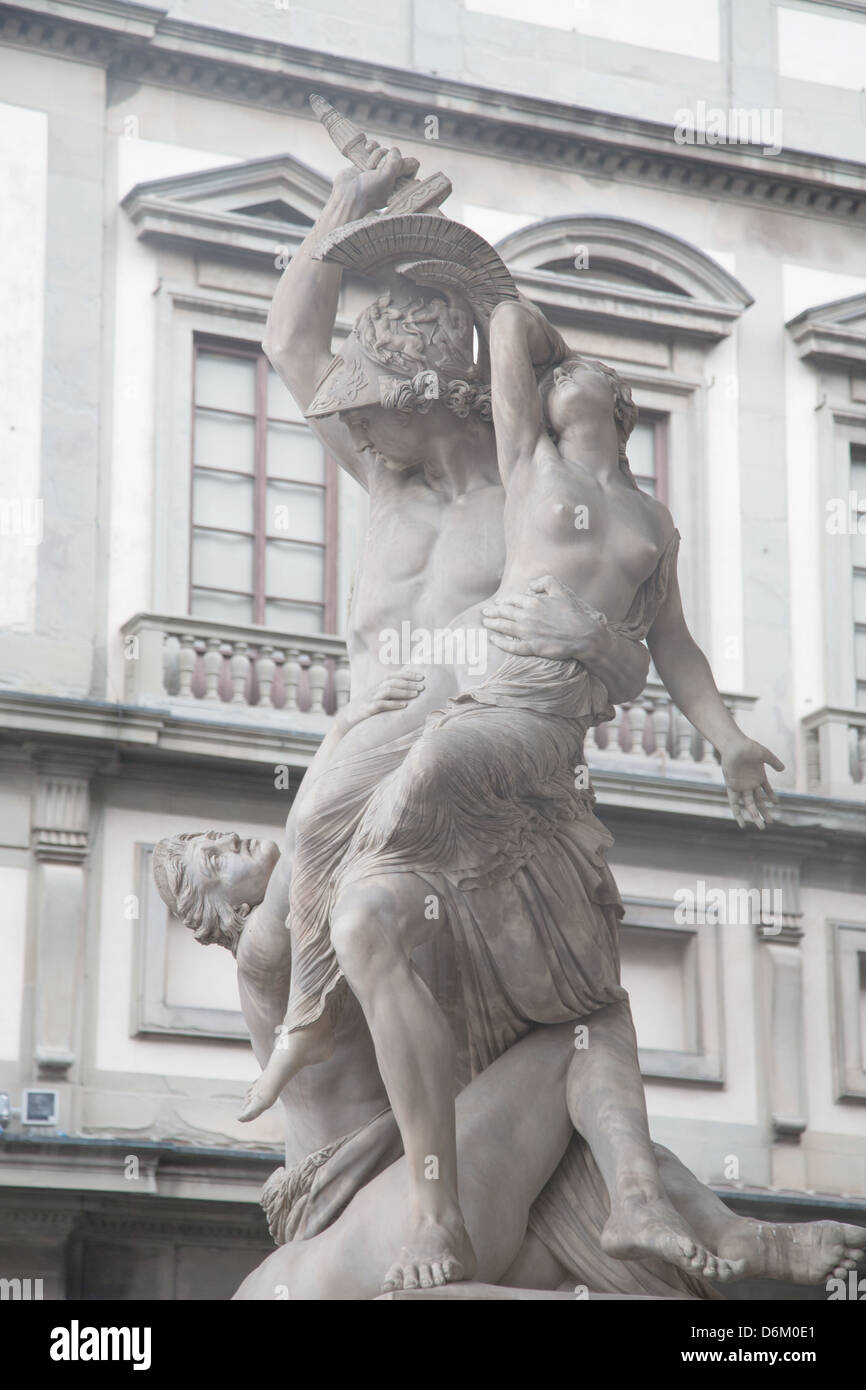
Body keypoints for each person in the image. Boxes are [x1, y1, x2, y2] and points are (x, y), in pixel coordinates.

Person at [241, 288, 787, 1294]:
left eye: (608, 387)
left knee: (413, 788)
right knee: (348, 859)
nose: (588, 381)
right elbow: (500, 323)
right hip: (480, 722)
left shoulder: (645, 524)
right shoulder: (525, 464)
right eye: (568, 378)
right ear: (540, 399)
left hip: (529, 745)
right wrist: (500, 305)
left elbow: (679, 653)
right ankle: (348, 1050)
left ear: (620, 419)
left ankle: (656, 1211)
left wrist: (728, 741)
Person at [152, 830, 866, 1299]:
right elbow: (312, 836)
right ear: (220, 918)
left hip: (406, 1218)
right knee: (578, 1038)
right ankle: (663, 1210)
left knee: (583, 1158)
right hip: (409, 1208)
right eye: (215, 861)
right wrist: (367, 730)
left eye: (219, 842)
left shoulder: (288, 1281)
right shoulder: (262, 961)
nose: (233, 843)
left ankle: (708, 1230)